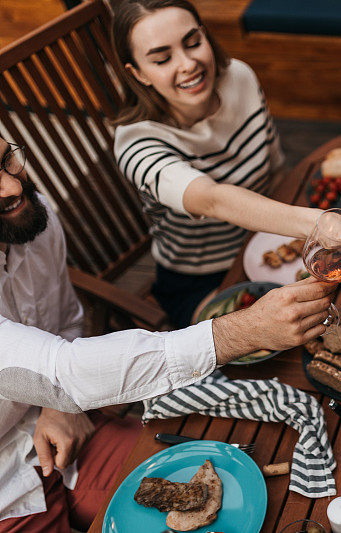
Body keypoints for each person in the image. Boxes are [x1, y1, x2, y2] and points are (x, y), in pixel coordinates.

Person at [0, 137, 335, 532]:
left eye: (7, 160)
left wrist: (57, 408)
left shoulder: (28, 220)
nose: (13, 186)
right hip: (7, 491)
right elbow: (65, 374)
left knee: (225, 501)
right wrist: (241, 332)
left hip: (64, 427)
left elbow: (66, 325)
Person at [111, 0, 321, 327]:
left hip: (273, 242)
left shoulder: (240, 77)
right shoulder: (136, 145)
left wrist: (297, 236)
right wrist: (316, 222)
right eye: (162, 59)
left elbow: (276, 167)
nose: (188, 64)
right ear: (138, 73)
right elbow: (212, 199)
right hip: (203, 280)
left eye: (193, 42)